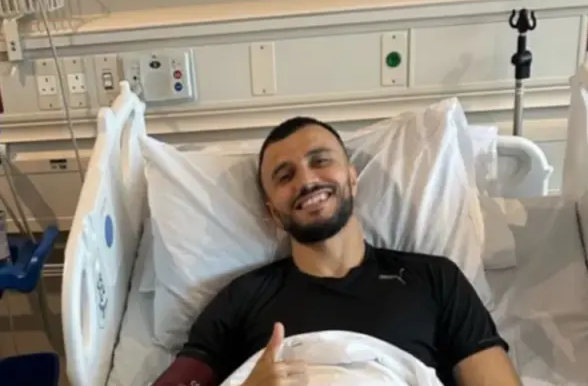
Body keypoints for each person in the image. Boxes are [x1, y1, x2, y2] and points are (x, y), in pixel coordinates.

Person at [153, 116, 521, 386]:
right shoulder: (241, 299)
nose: (307, 180)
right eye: (285, 176)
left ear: (352, 177)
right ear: (273, 213)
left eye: (320, 161)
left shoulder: (434, 280)